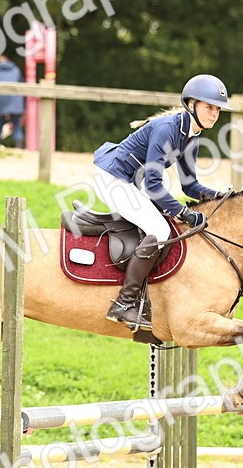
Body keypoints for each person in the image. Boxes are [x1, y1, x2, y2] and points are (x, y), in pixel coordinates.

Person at [92, 74, 230, 330]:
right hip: (112, 178)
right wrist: (184, 213)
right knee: (159, 230)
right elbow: (154, 186)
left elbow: (189, 186)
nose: (214, 114)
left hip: (130, 180)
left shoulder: (192, 136)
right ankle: (124, 303)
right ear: (191, 104)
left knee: (163, 224)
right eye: (209, 107)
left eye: (218, 109)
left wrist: (220, 197)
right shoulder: (167, 129)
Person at [0, 54, 24, 147]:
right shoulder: (15, 69)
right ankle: (19, 148)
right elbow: (21, 84)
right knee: (17, 126)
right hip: (16, 101)